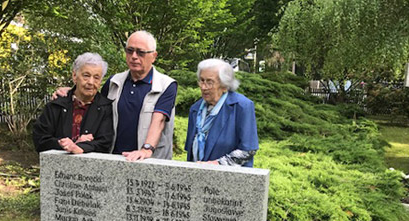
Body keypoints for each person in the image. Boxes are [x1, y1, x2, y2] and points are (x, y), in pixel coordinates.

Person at [54, 30, 177, 161]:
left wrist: (146, 149)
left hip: (149, 160)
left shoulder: (166, 85)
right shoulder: (114, 82)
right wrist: (72, 91)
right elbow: (95, 106)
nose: (134, 56)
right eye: (130, 51)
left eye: (140, 52)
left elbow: (159, 121)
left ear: (153, 56)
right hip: (114, 159)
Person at [33, 52, 113, 154]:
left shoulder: (105, 108)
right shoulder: (56, 105)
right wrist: (67, 144)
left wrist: (80, 147)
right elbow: (40, 139)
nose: (91, 82)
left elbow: (105, 143)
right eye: (86, 76)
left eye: (96, 77)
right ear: (74, 76)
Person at [185, 59, 259, 167]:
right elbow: (190, 152)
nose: (203, 87)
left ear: (224, 85)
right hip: (198, 176)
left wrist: (216, 164)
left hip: (231, 179)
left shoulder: (241, 106)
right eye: (201, 80)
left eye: (209, 82)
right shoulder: (195, 109)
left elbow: (248, 150)